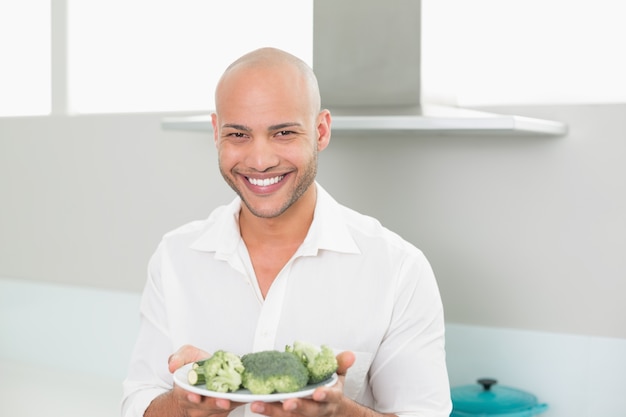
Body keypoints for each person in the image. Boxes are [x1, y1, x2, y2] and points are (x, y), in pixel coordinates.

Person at [122, 47, 451, 417]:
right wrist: (181, 407)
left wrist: (339, 413)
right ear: (217, 133)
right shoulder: (175, 257)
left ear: (321, 131)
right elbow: (140, 403)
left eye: (283, 132)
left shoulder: (399, 269)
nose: (260, 161)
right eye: (239, 135)